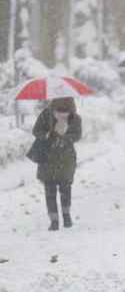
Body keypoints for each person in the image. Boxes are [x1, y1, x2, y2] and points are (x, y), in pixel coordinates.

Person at [32, 97, 82, 231]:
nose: (63, 108)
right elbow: (36, 131)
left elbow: (77, 135)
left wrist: (63, 138)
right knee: (54, 190)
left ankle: (64, 216)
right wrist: (48, 135)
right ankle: (57, 219)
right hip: (51, 158)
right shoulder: (46, 115)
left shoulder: (74, 118)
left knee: (60, 189)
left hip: (63, 159)